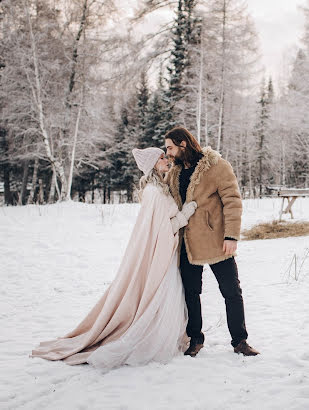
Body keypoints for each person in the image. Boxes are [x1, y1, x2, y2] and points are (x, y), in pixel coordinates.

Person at [31, 148, 198, 368]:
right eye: (162, 158)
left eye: (165, 156)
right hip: (160, 254)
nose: (167, 160)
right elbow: (162, 230)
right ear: (153, 165)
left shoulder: (160, 189)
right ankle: (149, 340)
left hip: (164, 254)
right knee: (159, 295)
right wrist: (185, 214)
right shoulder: (154, 193)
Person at [164, 127, 259, 357]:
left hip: (217, 241)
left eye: (170, 148)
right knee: (191, 293)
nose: (167, 153)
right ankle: (195, 339)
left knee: (231, 292)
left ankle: (240, 341)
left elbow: (233, 201)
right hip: (187, 243)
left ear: (182, 144)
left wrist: (231, 236)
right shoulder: (174, 173)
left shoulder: (216, 165)